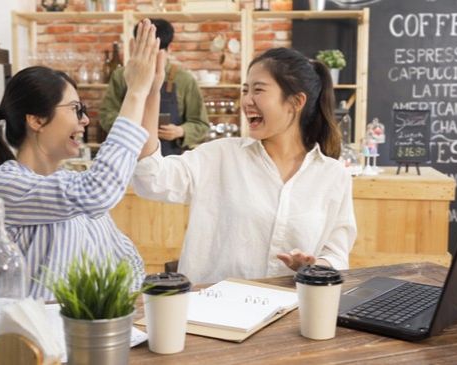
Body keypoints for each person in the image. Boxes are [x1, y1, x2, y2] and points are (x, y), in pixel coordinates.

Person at [132, 47, 357, 284]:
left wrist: (314, 266)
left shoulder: (333, 176)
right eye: (245, 90)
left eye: (258, 90)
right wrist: (150, 93)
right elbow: (151, 179)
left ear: (296, 102)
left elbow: (336, 255)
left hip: (290, 311)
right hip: (214, 313)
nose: (246, 100)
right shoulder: (220, 156)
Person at [0, 20, 162, 299]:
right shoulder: (1, 184)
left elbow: (124, 261)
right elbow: (98, 191)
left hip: (87, 331)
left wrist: (150, 90)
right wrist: (134, 92)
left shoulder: (71, 183)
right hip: (34, 336)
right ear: (37, 120)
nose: (85, 120)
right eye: (76, 109)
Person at [100, 18, 209, 156]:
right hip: (128, 157)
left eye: (156, 51)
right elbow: (106, 115)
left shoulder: (184, 80)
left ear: (169, 49)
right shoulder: (121, 76)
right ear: (135, 45)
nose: (150, 56)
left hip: (170, 161)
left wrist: (180, 131)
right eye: (146, 49)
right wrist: (132, 128)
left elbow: (201, 124)